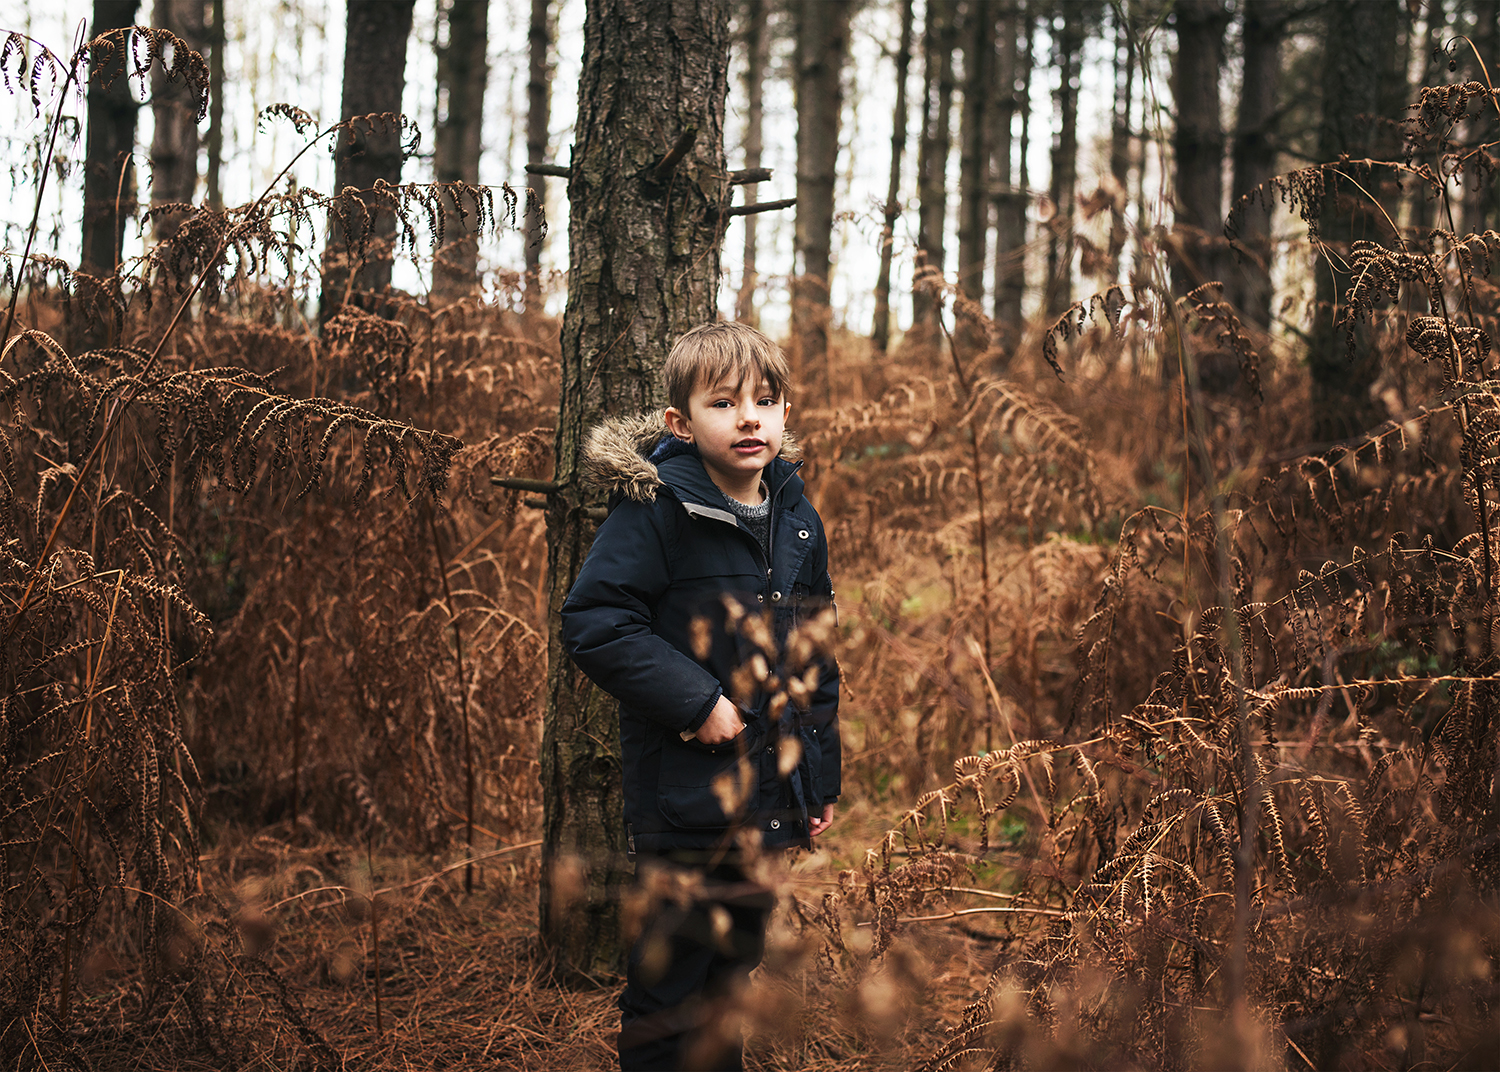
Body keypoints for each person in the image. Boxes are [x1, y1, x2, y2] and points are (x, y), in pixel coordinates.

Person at [561, 321, 841, 1071]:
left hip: (769, 798)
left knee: (732, 971)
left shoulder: (796, 517)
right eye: (724, 403)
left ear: (785, 413)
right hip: (685, 800)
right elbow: (595, 621)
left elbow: (814, 658)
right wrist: (697, 703)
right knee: (671, 986)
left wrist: (819, 781)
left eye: (765, 399)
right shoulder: (656, 510)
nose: (749, 417)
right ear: (680, 425)